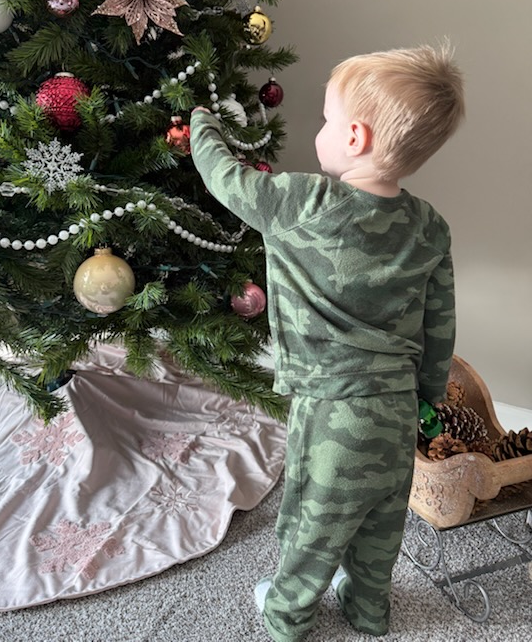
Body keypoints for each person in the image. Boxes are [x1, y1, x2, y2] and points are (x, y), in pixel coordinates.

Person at [190, 43, 465, 641]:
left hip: (331, 407)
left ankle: (287, 615)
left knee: (314, 518)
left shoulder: (303, 202)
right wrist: (431, 394)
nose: (321, 129)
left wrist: (202, 127)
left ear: (355, 137)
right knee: (381, 520)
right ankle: (370, 608)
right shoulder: (429, 227)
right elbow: (439, 319)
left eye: (325, 118)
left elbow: (225, 180)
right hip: (396, 408)